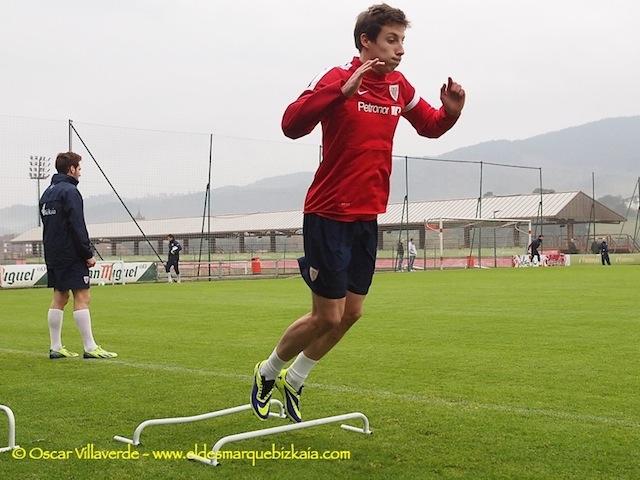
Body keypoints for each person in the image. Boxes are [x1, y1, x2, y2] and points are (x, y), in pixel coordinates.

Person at [250, 3, 465, 423]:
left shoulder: (399, 86)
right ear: (366, 41)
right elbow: (290, 124)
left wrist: (452, 111)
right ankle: (268, 371)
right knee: (325, 315)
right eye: (391, 39)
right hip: (328, 215)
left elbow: (430, 125)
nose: (400, 49)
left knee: (351, 314)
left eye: (403, 40)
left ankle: (296, 378)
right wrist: (341, 92)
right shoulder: (336, 77)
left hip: (367, 218)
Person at [39, 152, 117, 360]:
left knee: (59, 297)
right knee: (82, 297)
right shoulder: (70, 191)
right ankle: (90, 347)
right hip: (70, 253)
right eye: (79, 168)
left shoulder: (47, 193)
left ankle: (55, 347)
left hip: (53, 253)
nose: (80, 173)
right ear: (71, 169)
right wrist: (87, 253)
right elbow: (77, 225)